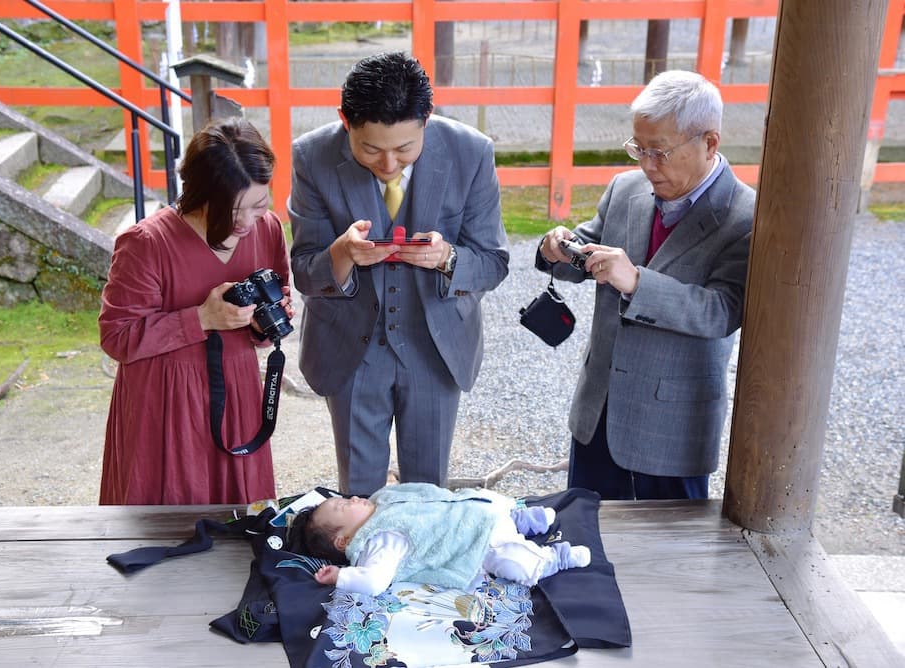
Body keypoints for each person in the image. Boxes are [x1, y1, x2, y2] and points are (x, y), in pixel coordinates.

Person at [288, 52, 510, 497]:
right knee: (358, 498)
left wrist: (448, 257)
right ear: (345, 121)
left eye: (405, 149)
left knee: (428, 493)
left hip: (436, 346)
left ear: (426, 119)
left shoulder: (471, 153)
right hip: (350, 347)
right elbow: (304, 272)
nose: (389, 164)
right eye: (370, 149)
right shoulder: (312, 156)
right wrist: (343, 253)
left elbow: (493, 262)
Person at [536, 70, 756, 501]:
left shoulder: (745, 215)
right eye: (639, 148)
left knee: (669, 559)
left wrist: (636, 281)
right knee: (585, 541)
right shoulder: (626, 187)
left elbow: (723, 311)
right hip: (598, 410)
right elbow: (586, 249)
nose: (646, 164)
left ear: (710, 143)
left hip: (672, 426)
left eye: (660, 152)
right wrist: (556, 250)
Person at [98, 117, 293, 505]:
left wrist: (260, 324)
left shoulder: (267, 228)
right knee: (164, 527)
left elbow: (275, 300)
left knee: (240, 523)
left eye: (258, 205)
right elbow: (116, 336)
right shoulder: (146, 243)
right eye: (233, 209)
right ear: (201, 195)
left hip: (237, 392)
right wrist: (202, 318)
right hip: (164, 401)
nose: (247, 220)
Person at [295, 482, 590, 596]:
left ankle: (521, 518)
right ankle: (555, 558)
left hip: (470, 507)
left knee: (491, 500)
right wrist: (341, 577)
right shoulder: (379, 539)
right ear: (344, 540)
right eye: (344, 506)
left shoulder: (381, 500)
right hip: (473, 542)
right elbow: (374, 581)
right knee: (514, 561)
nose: (353, 498)